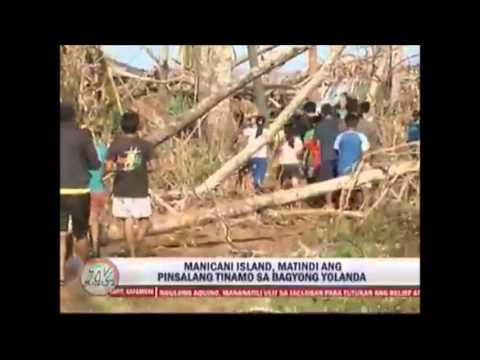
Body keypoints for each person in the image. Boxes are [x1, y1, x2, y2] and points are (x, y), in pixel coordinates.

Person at [60, 103, 101, 287]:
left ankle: (60, 274)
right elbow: (95, 164)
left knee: (60, 235)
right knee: (80, 234)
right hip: (78, 191)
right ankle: (83, 273)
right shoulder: (82, 136)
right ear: (73, 116)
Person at [105, 112, 156, 257]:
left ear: (122, 126)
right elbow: (153, 166)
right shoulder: (145, 145)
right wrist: (140, 167)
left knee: (127, 219)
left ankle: (132, 252)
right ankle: (138, 241)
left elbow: (108, 168)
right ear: (137, 126)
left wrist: (119, 164)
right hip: (140, 186)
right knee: (145, 219)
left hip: (121, 187)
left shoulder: (115, 145)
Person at [86, 128, 108, 257]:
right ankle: (95, 246)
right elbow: (107, 167)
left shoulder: (79, 152)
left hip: (84, 189)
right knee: (94, 219)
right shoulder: (102, 149)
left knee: (83, 220)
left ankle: (88, 246)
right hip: (99, 188)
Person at [314, 103, 340, 208]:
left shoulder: (319, 126)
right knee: (340, 180)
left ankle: (329, 203)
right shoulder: (339, 123)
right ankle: (341, 202)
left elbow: (316, 144)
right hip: (339, 156)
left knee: (328, 182)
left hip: (326, 156)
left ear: (323, 114)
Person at [243, 116, 271, 190]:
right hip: (261, 157)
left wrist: (249, 122)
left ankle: (250, 187)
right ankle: (257, 184)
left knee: (252, 172)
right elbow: (271, 140)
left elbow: (243, 131)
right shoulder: (266, 132)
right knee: (260, 172)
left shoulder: (250, 130)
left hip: (251, 155)